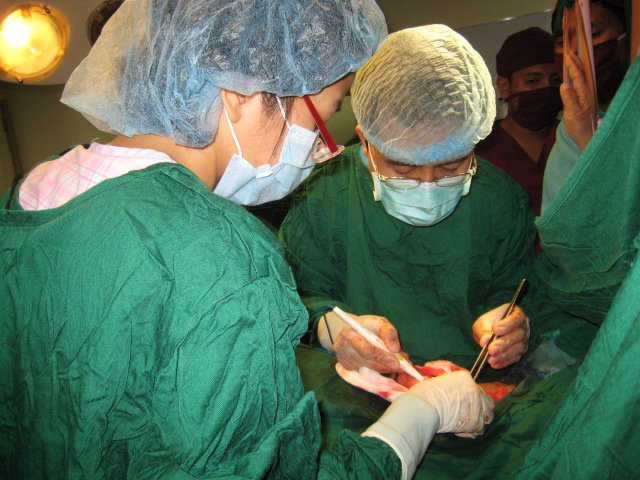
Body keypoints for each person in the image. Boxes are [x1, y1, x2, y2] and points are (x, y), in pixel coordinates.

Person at [0, 2, 494, 479]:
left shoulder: (32, 192)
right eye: (325, 115)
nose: (321, 149)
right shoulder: (217, 253)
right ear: (240, 92)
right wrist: (422, 413)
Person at [280, 25, 538, 378]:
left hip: (475, 383)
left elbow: (520, 288)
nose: (428, 184)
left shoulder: (500, 198)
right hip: (359, 389)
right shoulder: (324, 193)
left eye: (451, 165)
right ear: (366, 140)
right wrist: (334, 330)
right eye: (403, 167)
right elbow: (295, 297)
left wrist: (513, 323)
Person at [542, 0, 628, 211]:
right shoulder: (568, 133)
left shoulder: (631, 117)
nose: (575, 52)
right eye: (562, 42)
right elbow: (560, 222)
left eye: (593, 34)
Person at [475, 27, 562, 215]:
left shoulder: (573, 139)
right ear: (504, 86)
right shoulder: (482, 150)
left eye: (555, 80)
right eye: (533, 81)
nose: (546, 88)